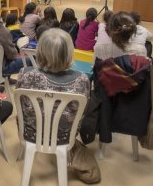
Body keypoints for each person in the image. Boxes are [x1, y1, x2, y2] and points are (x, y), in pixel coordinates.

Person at [16, 28, 99, 184]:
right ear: (69, 52)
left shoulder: (25, 74)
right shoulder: (82, 80)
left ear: (40, 51)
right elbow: (83, 110)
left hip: (31, 132)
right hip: (65, 136)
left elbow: (21, 104)